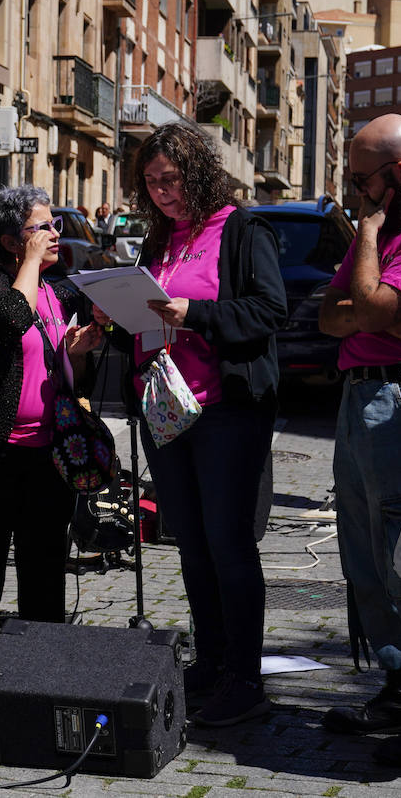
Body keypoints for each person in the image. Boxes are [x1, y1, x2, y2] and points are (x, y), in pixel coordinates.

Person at [99, 122, 285, 727]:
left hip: (226, 410)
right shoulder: (158, 241)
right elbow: (151, 314)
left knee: (229, 544)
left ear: (197, 173)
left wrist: (195, 313)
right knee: (192, 544)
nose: (161, 192)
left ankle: (246, 679)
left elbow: (268, 310)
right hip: (167, 408)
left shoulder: (240, 228)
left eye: (171, 179)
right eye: (150, 183)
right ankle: (211, 659)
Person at [0, 187, 101, 697]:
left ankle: (42, 644)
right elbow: (13, 316)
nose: (55, 234)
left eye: (55, 225)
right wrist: (29, 264)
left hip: (48, 450)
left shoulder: (56, 293)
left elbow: (59, 363)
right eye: (41, 228)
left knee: (45, 556)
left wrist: (77, 351)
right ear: (11, 242)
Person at [318, 113, 401, 753]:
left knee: (395, 542)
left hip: (394, 393)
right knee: (362, 549)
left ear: (398, 175)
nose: (357, 197)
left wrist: (371, 237)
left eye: (363, 182)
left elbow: (370, 305)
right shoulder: (374, 230)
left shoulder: (382, 229)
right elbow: (329, 314)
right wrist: (366, 309)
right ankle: (396, 681)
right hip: (356, 394)